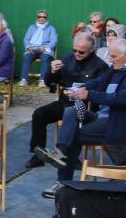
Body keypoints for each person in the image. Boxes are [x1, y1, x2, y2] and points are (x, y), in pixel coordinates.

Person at [35, 37, 126, 191]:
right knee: (71, 111)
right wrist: (78, 90)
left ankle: (62, 182)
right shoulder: (117, 66)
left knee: (74, 135)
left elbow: (123, 99)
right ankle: (61, 153)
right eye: (110, 55)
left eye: (113, 56)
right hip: (103, 117)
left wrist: (88, 95)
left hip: (121, 122)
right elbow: (98, 82)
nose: (110, 59)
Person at [25, 30, 108, 170]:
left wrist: (84, 93)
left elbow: (101, 93)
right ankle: (37, 154)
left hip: (86, 107)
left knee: (72, 116)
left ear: (91, 50)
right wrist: (51, 71)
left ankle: (70, 157)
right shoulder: (67, 58)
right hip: (65, 102)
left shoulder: (100, 66)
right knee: (39, 114)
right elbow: (49, 84)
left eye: (81, 52)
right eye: (74, 50)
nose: (77, 54)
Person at [20, 10, 58, 82]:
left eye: (44, 17)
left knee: (45, 58)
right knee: (26, 57)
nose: (41, 18)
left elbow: (54, 40)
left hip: (44, 50)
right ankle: (24, 79)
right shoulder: (31, 27)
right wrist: (28, 48)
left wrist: (45, 48)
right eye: (39, 16)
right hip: (32, 49)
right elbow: (26, 39)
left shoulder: (51, 28)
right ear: (37, 18)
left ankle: (43, 80)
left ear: (46, 18)